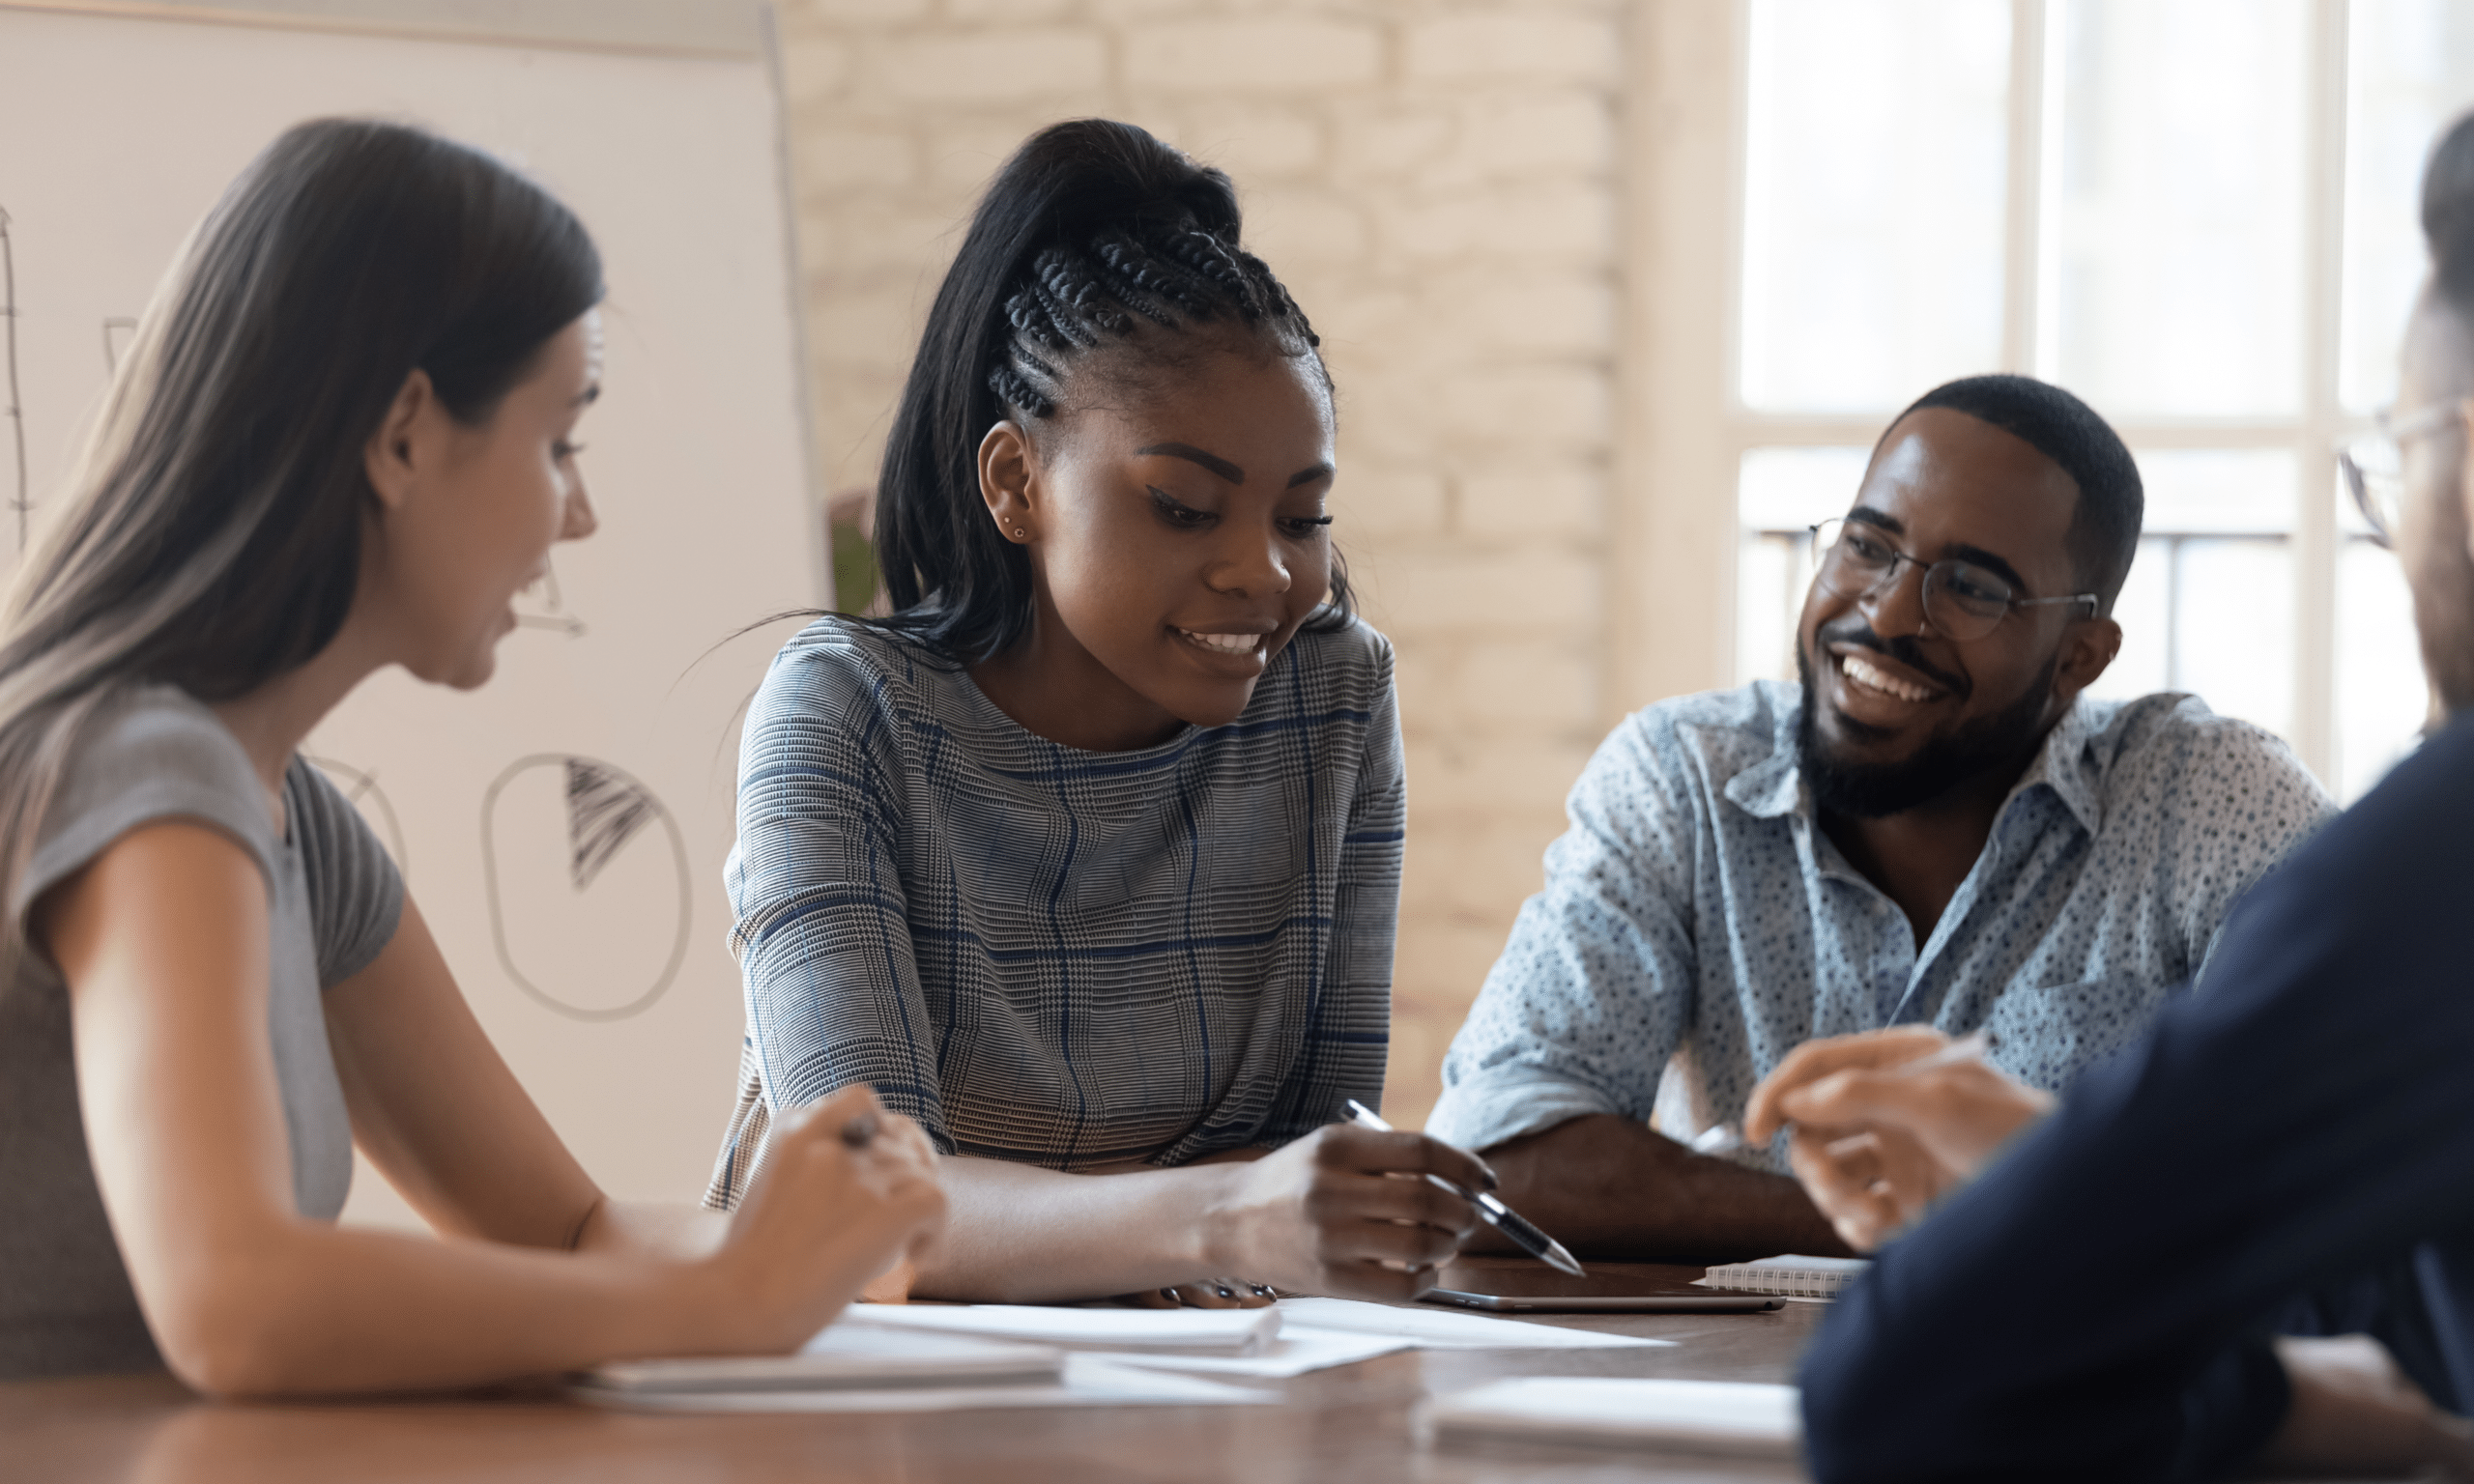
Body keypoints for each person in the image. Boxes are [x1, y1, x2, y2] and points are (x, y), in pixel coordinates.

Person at [0, 119, 944, 1394]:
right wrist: (733, 1296)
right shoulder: (150, 775)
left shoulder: (294, 826)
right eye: (559, 442)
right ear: (402, 434)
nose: (580, 511)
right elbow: (236, 1302)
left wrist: (808, 1251)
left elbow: (566, 1229)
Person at [1780, 112, 2474, 1482]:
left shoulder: (2421, 857)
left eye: (2401, 464)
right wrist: (2073, 1171)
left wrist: (2069, 1219)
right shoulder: (1678, 763)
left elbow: (1908, 1390)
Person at [703, 119, 1484, 1307]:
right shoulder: (844, 715)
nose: (1264, 573)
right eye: (1184, 507)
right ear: (1017, 484)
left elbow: (1313, 1163)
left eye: (1301, 517)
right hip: (863, 1405)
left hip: (1205, 1388)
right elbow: (865, 1220)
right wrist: (1222, 1215)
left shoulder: (1329, 698)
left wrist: (1211, 1215)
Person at [1424, 374, 2334, 1259]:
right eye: (1867, 545)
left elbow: (2354, 1154)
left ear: (2077, 659)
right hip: (1718, 1396)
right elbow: (1494, 1153)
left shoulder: (2209, 800)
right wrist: (1912, 1228)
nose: (1889, 613)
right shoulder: (1684, 778)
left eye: (1974, 588)